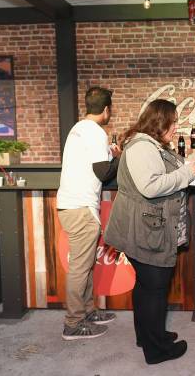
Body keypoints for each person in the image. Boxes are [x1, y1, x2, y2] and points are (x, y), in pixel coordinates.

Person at [104, 99, 195, 365]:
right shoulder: (141, 148)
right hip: (145, 231)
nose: (176, 127)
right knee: (155, 289)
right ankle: (156, 349)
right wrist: (186, 173)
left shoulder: (152, 146)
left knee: (147, 287)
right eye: (173, 121)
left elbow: (177, 166)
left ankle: (148, 335)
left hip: (146, 228)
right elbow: (151, 186)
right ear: (160, 122)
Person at [57, 87, 120, 340]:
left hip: (72, 206)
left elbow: (95, 165)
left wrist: (111, 155)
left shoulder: (79, 128)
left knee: (84, 266)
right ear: (107, 110)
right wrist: (119, 158)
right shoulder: (95, 132)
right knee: (80, 269)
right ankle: (73, 323)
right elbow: (103, 173)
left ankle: (87, 311)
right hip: (81, 208)